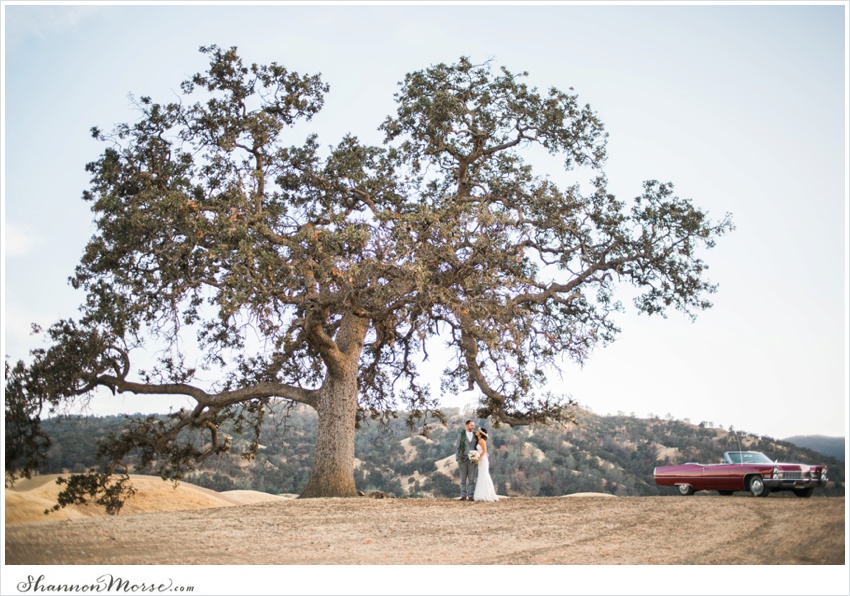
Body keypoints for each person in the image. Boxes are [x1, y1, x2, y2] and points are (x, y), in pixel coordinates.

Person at [473, 428, 499, 502]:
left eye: (478, 431)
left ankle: (488, 494)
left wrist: (478, 458)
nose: (476, 432)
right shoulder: (479, 440)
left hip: (483, 460)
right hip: (481, 459)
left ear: (481, 433)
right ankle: (483, 494)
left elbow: (484, 451)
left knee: (484, 475)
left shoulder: (481, 441)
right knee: (481, 475)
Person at [455, 419, 478, 501]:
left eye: (473, 425)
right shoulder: (461, 435)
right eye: (471, 425)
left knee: (472, 479)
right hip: (462, 459)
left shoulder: (476, 435)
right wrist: (457, 458)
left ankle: (471, 496)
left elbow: (479, 446)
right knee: (463, 479)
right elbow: (457, 447)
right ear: (467, 425)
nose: (473, 427)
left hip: (473, 460)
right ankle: (463, 495)